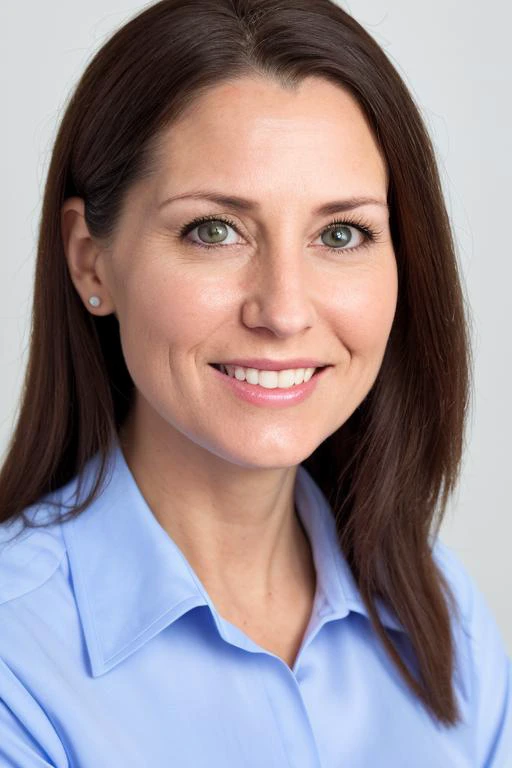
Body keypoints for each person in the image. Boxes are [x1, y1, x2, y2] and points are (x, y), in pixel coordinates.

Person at [0, 0, 510, 765]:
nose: (283, 310)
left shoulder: (444, 613)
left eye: (341, 234)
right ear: (89, 260)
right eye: (214, 230)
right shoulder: (16, 659)